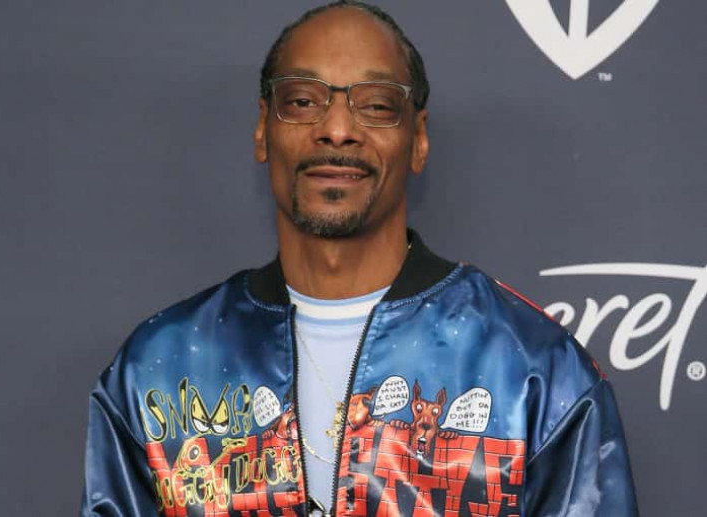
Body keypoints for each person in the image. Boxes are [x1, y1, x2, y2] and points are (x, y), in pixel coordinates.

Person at [81, 2, 638, 515]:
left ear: (418, 139)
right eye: (303, 101)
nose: (337, 130)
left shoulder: (533, 368)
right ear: (263, 128)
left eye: (375, 106)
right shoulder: (159, 368)